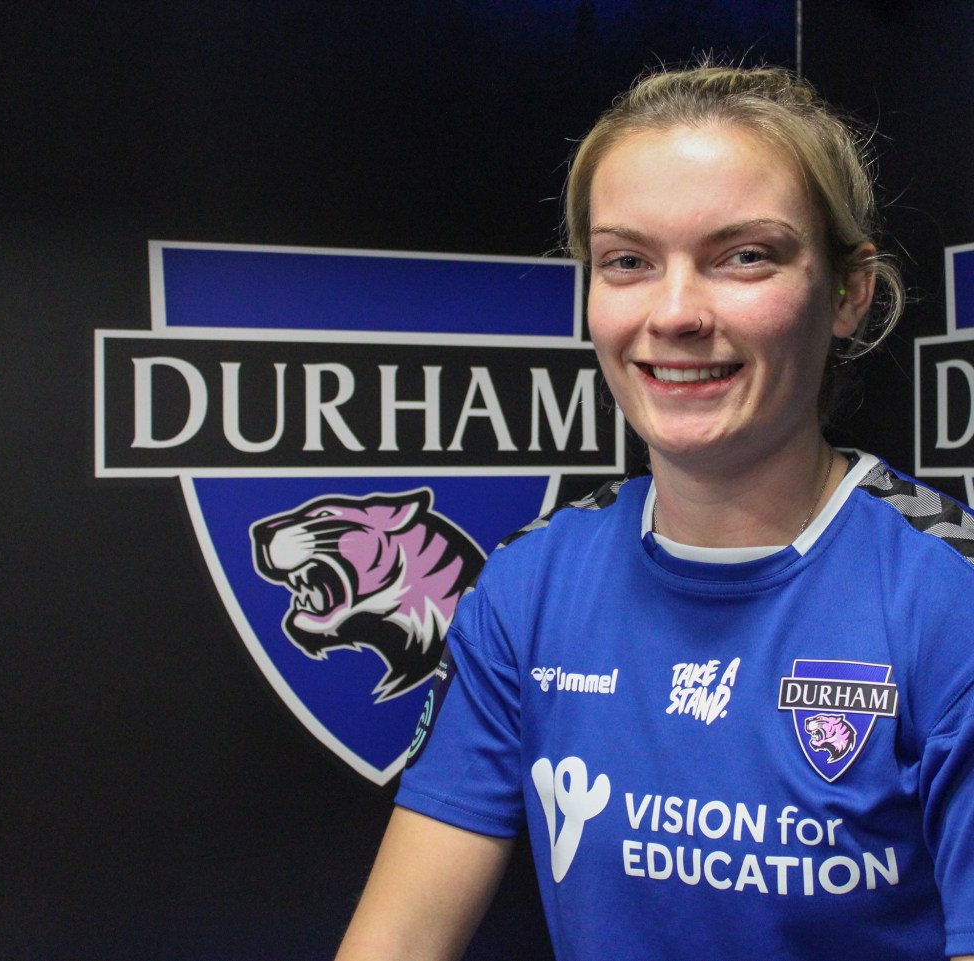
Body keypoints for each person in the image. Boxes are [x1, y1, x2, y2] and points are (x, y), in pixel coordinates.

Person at [335, 63, 974, 961]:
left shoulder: (947, 597)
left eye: (744, 255)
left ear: (848, 291)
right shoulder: (530, 585)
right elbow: (396, 941)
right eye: (627, 261)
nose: (675, 313)